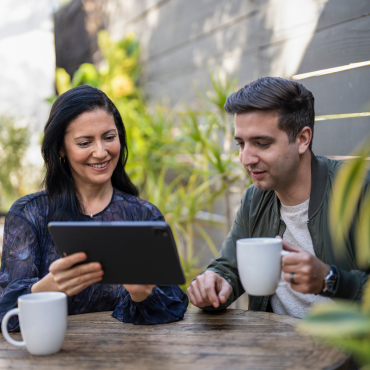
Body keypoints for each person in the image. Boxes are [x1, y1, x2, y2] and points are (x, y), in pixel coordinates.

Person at [0, 85, 188, 331]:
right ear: (61, 149)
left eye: (109, 138)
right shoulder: (29, 214)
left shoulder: (143, 215)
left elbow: (174, 308)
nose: (101, 152)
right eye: (84, 142)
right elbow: (5, 314)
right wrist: (45, 288)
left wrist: (141, 295)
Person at [187, 77, 369, 318]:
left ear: (303, 139)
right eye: (241, 144)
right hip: (274, 348)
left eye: (261, 144)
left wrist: (329, 280)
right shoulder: (255, 198)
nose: (246, 159)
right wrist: (215, 283)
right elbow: (229, 267)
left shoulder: (357, 191)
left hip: (347, 351)